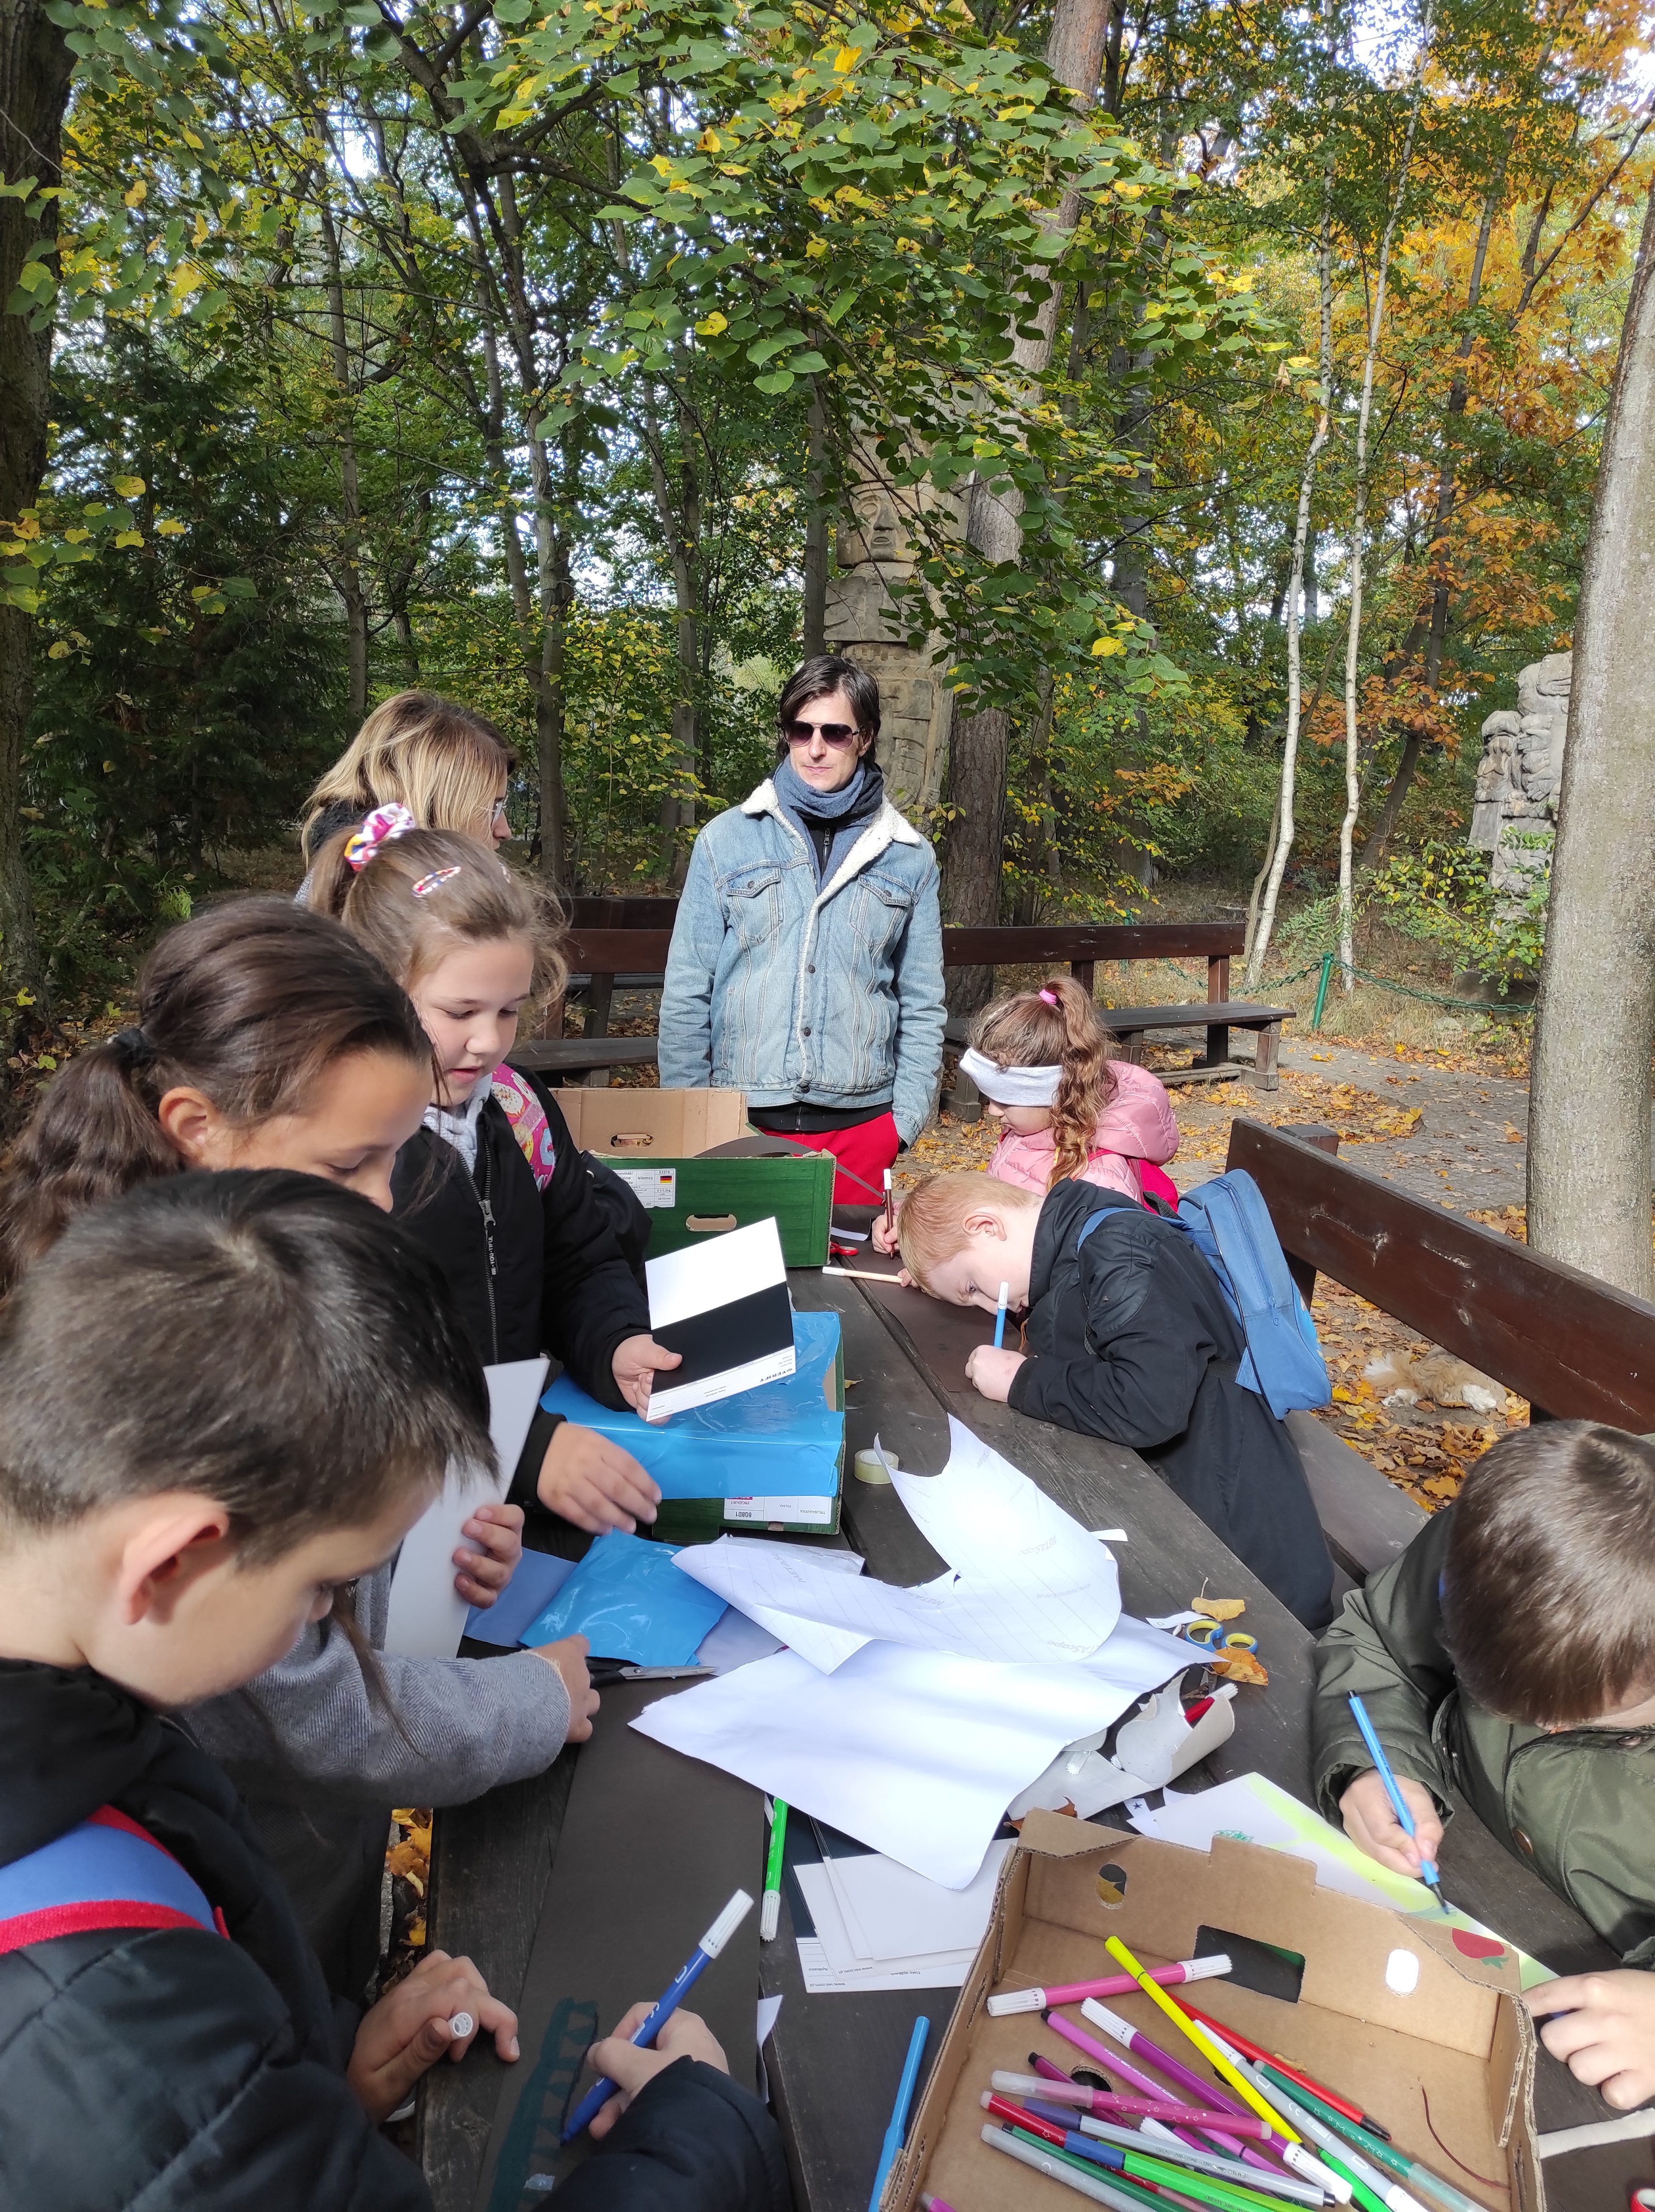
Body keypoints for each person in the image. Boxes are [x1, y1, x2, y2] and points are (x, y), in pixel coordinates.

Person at [0, 1170, 788, 2212]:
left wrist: (316, 2070)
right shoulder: (119, 2034)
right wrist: (700, 2140)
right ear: (172, 1563)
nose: (336, 1621)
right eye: (326, 1590)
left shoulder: (85, 1722)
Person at [0, 899, 590, 1992]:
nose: (384, 1200)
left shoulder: (217, 1280)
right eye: (351, 1162)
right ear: (196, 1126)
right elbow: (306, 1708)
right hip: (230, 1905)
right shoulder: (180, 1374)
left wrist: (424, 1549)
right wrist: (531, 1703)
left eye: (398, 1157)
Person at [306, 811, 679, 1537]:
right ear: (375, 987)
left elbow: (578, 1257)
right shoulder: (343, 1150)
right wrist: (526, 1448)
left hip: (496, 1508)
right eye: (460, 1011)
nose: (487, 1042)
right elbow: (357, 1360)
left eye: (508, 1011)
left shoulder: (517, 1108)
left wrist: (615, 1342)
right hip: (384, 1518)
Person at [1312, 1422, 1655, 2113]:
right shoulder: (1516, 1531)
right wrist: (1377, 1763)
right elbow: (1378, 1638)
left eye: (1583, 1717)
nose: (1543, 1728)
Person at [895, 1169, 1336, 1629]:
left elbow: (1150, 1404)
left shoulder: (1120, 1252)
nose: (992, 1307)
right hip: (1179, 1501)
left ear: (986, 1226)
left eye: (971, 1287)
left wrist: (1022, 1380)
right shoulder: (1077, 1244)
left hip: (1244, 1566)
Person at [657, 654, 945, 1207]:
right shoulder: (726, 839)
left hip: (863, 1125)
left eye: (835, 733)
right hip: (740, 1123)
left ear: (866, 738)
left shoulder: (908, 855)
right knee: (741, 1264)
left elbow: (923, 1000)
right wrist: (691, 1115)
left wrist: (902, 1122)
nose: (815, 748)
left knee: (851, 1268)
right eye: (800, 730)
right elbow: (688, 989)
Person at [873, 977, 1178, 1262]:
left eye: (1005, 1101)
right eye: (989, 1098)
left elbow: (1088, 1274)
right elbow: (988, 1209)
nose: (993, 1111)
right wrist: (914, 1224)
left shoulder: (1099, 1177)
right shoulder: (1028, 1135)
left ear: (1056, 1095)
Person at [299, 689, 515, 869]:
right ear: (429, 805)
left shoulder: (341, 887)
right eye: (492, 807)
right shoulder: (404, 904)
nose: (504, 831)